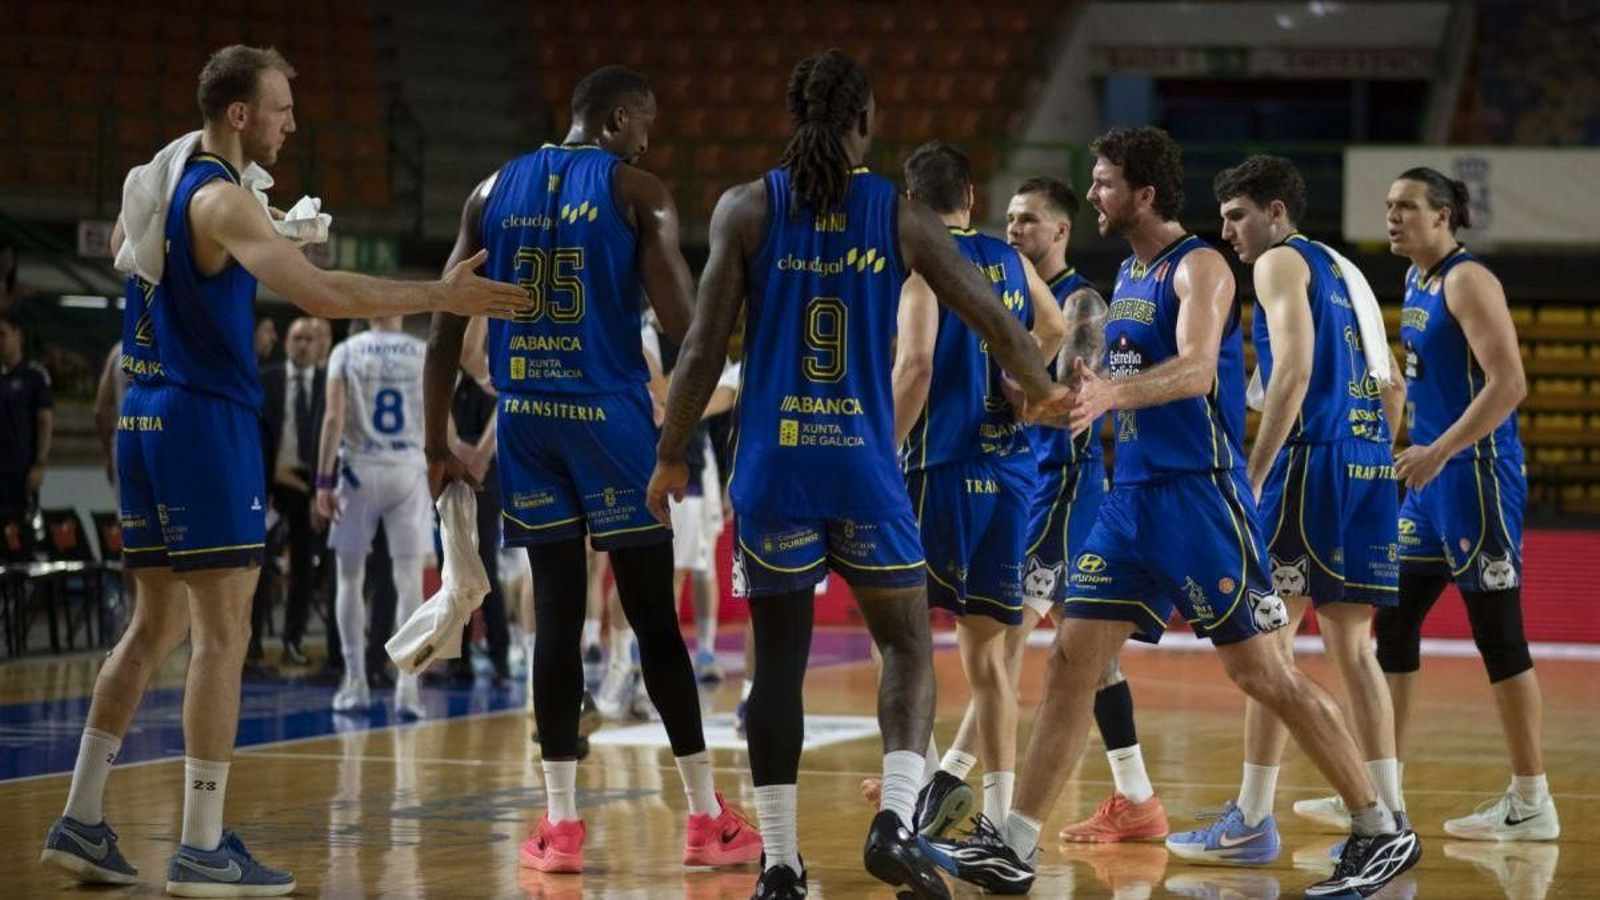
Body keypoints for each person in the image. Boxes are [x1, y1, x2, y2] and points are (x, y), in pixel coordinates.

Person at [39, 44, 526, 896]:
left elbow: (129, 244)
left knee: (151, 628)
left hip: (142, 418)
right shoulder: (222, 198)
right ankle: (201, 844)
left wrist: (267, 232)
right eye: (280, 109)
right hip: (202, 419)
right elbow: (323, 297)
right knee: (223, 635)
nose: (292, 124)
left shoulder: (158, 178)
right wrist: (439, 295)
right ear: (239, 114)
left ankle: (80, 817)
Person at [925, 127, 1418, 899]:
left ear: (1145, 193)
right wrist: (1047, 398)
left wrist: (1110, 395)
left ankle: (1380, 829)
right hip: (1130, 501)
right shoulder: (1126, 275)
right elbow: (1096, 386)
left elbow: (1195, 370)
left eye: (1104, 182)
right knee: (1071, 662)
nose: (1093, 193)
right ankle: (1013, 843)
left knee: (1262, 671)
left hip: (1198, 494)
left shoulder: (1201, 266)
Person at [646, 49, 1072, 900]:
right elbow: (998, 322)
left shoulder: (745, 208)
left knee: (777, 667)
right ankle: (895, 822)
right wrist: (1044, 391)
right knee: (907, 645)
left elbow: (699, 351)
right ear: (867, 122)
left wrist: (669, 454)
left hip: (774, 468)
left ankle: (779, 864)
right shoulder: (902, 217)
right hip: (865, 468)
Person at [422, 64, 762, 875]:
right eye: (644, 124)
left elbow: (443, 326)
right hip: (609, 418)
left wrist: (437, 445)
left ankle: (560, 826)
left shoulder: (488, 191)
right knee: (651, 619)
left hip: (528, 420)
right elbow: (686, 324)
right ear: (615, 119)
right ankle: (705, 818)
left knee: (557, 620)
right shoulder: (638, 191)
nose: (647, 140)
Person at [1162, 154, 1408, 864]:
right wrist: (1367, 454)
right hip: (1367, 463)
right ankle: (1391, 814)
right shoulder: (1345, 270)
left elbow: (1293, 370)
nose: (1227, 232)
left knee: (1266, 647)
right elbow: (1392, 384)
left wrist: (1255, 474)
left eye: (1237, 216)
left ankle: (1251, 817)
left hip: (1310, 461)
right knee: (1354, 650)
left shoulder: (1278, 264)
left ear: (1275, 212)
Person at [1371, 167, 1558, 841]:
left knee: (1498, 636)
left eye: (1406, 206)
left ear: (1443, 215)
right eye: (1389, 206)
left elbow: (1510, 384)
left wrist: (1438, 451)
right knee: (1392, 624)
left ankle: (1531, 800)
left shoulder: (1467, 280)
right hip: (1431, 483)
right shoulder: (1416, 279)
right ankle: (1382, 792)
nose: (1392, 217)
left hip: (1476, 476)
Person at [892, 142, 1065, 837]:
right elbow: (1054, 327)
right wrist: (1021, 377)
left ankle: (914, 791)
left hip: (940, 467)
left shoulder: (922, 266)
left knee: (897, 643)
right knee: (988, 658)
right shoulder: (1012, 260)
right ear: (970, 195)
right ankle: (997, 813)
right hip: (1011, 471)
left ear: (911, 201)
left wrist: (883, 448)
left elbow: (916, 366)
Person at [1002, 175, 1170, 844]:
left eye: (1028, 219)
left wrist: (994, 382)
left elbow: (1065, 406)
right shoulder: (1009, 298)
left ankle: (951, 788)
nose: (1014, 229)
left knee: (1001, 639)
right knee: (1093, 658)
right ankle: (1138, 798)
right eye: (1009, 218)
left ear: (1061, 230)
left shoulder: (1081, 301)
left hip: (1062, 487)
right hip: (1024, 483)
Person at [313, 317, 431, 718]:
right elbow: (438, 416)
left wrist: (323, 481)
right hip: (408, 469)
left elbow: (333, 418)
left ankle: (355, 682)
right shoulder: (421, 352)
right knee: (408, 582)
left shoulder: (346, 351)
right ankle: (408, 689)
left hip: (358, 469)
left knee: (349, 578)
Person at [258, 316, 326, 665]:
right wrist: (264, 480)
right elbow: (255, 436)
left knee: (304, 569)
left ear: (319, 347)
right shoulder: (267, 379)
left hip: (310, 487)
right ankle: (251, 645)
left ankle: (293, 642)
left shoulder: (329, 383)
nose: (302, 345)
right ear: (286, 343)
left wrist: (320, 490)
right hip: (270, 484)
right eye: (296, 338)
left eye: (308, 339)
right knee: (257, 566)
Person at [0, 312, 52, 517]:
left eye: (3, 334)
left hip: (20, 472)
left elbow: (45, 420)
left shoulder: (34, 375)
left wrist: (40, 464)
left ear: (18, 335)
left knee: (20, 527)